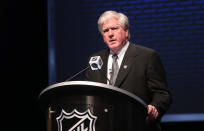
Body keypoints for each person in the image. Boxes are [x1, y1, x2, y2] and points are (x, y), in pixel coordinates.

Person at [85, 10, 172, 131]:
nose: (110, 34)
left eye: (114, 28)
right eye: (106, 31)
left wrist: (155, 107)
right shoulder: (95, 61)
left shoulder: (146, 56)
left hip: (138, 125)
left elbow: (162, 94)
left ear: (126, 31)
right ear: (103, 37)